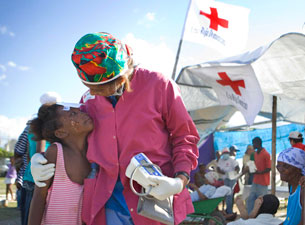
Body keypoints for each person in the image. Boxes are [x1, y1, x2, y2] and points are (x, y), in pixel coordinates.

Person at [30, 32, 199, 225]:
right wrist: (42, 161)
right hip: (107, 204)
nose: (95, 92)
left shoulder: (159, 85)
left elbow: (184, 137)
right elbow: (74, 140)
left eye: (104, 87)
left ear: (124, 72)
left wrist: (180, 181)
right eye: (92, 87)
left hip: (156, 202)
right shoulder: (88, 101)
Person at [28, 103, 94, 225]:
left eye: (78, 111)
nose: (82, 113)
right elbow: (39, 197)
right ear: (61, 132)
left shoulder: (92, 154)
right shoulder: (56, 152)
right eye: (73, 114)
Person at [276, 146, 305, 225]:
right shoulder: (292, 186)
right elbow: (290, 219)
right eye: (278, 165)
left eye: (286, 166)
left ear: (298, 169)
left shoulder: (303, 189)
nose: (281, 169)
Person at [246, 137, 271, 214]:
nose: (253, 145)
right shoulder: (255, 154)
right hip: (255, 180)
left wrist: (259, 172)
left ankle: (262, 216)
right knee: (250, 199)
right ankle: (250, 215)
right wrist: (251, 170)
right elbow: (255, 166)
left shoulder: (266, 154)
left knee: (261, 200)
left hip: (263, 182)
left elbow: (269, 168)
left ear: (258, 143)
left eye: (254, 143)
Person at [217, 147, 239, 215]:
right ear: (223, 154)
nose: (225, 154)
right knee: (227, 195)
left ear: (228, 153)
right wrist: (222, 172)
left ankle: (229, 211)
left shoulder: (231, 160)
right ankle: (228, 210)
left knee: (230, 194)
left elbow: (237, 167)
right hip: (225, 179)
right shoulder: (220, 160)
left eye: (227, 153)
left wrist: (236, 170)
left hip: (232, 179)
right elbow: (218, 168)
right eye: (224, 153)